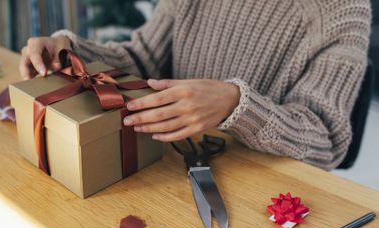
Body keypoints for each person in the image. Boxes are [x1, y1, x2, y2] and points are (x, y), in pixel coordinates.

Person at [19, 0, 371, 170]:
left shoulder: (341, 11)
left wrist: (237, 105)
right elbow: (143, 59)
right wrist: (73, 52)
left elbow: (326, 142)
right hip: (171, 162)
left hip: (260, 180)